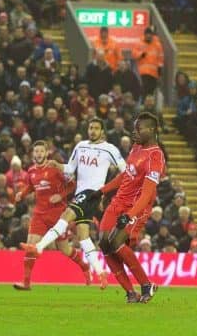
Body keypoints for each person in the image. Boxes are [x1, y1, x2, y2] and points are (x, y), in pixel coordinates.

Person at [21, 118, 126, 288]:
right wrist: (58, 165)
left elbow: (125, 171)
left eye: (96, 128)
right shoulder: (80, 146)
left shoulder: (110, 149)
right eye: (90, 127)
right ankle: (101, 273)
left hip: (92, 193)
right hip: (80, 193)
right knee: (83, 237)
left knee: (65, 215)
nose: (92, 131)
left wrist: (108, 191)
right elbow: (70, 168)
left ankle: (38, 247)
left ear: (102, 131)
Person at [95, 112, 165, 303]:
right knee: (104, 243)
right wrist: (102, 191)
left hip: (136, 207)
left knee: (116, 242)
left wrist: (130, 214)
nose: (135, 132)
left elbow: (147, 193)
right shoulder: (135, 148)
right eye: (134, 128)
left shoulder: (155, 156)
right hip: (118, 201)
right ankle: (130, 293)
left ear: (151, 130)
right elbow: (125, 175)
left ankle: (146, 284)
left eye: (139, 128)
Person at [13, 140, 90, 290]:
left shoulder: (55, 169)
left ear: (47, 153)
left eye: (41, 151)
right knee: (31, 246)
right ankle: (26, 282)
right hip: (39, 214)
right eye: (36, 151)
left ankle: (85, 267)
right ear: (32, 154)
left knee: (64, 249)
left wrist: (60, 196)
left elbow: (72, 184)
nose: (39, 154)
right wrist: (21, 194)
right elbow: (30, 186)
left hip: (58, 215)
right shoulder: (31, 171)